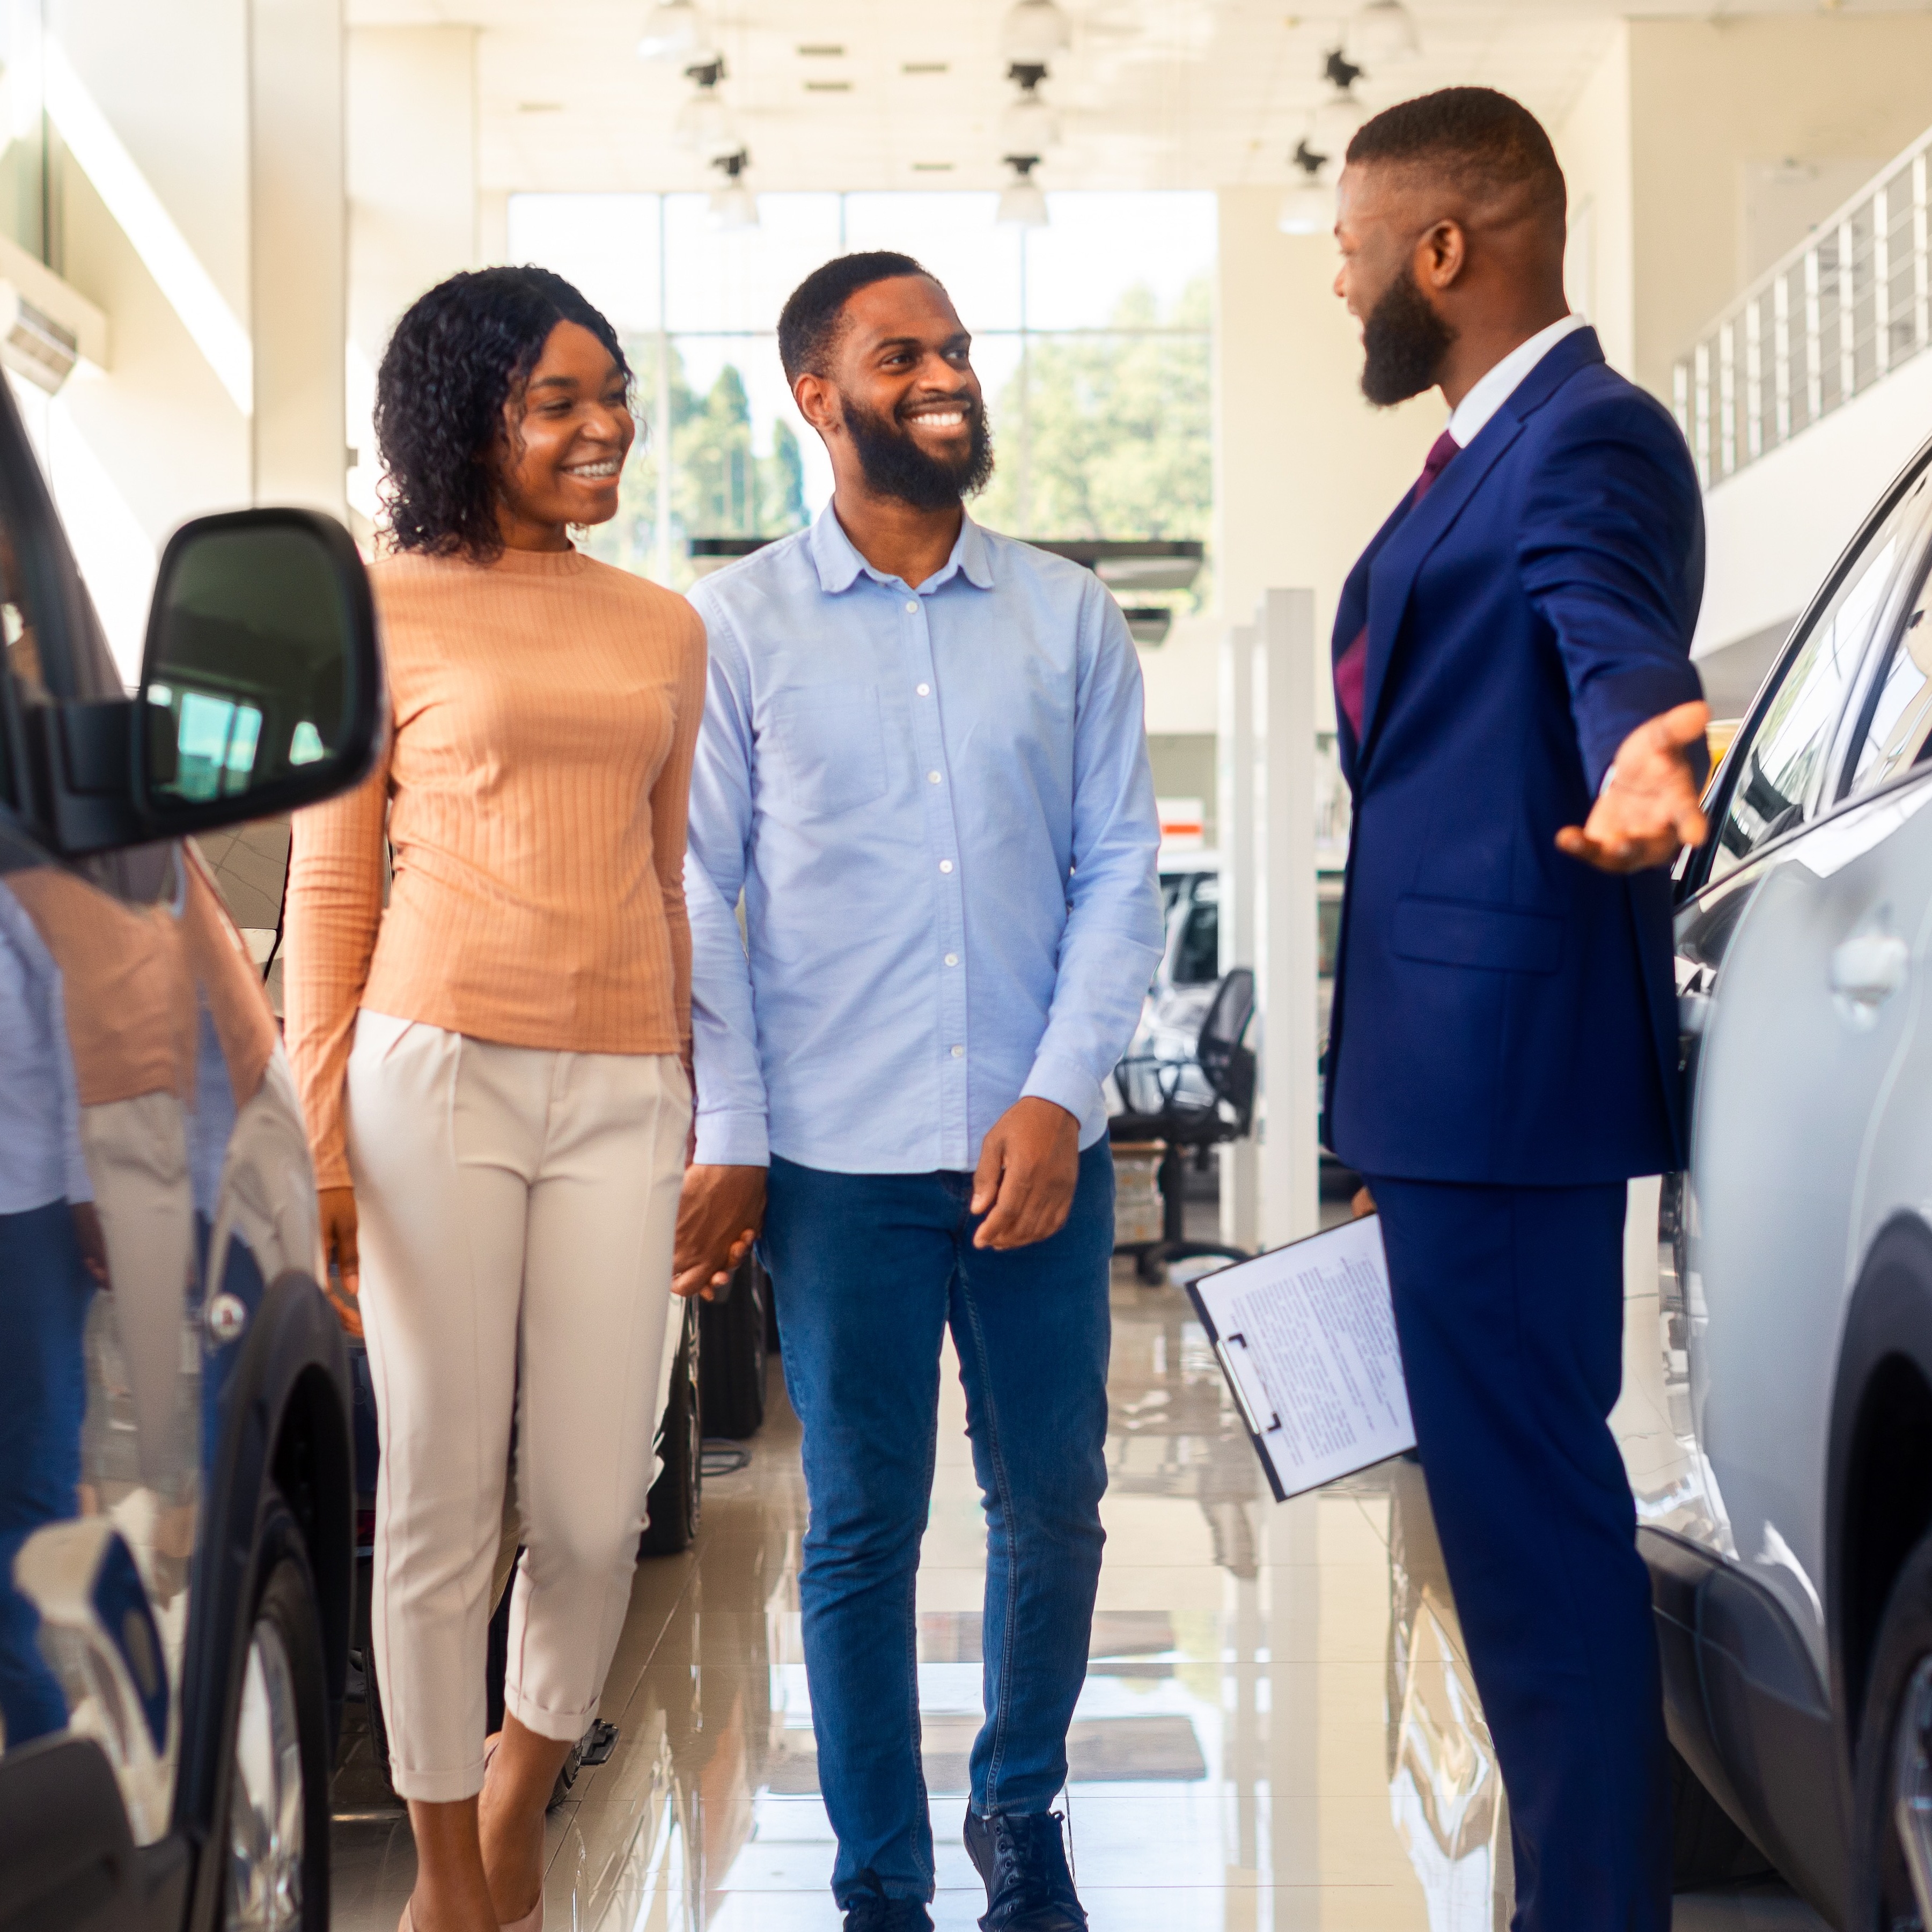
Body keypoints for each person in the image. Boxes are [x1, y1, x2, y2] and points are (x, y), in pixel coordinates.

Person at [673, 252, 1164, 1932]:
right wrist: (731, 1135)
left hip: (1039, 1146)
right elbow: (695, 898)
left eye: (956, 347)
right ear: (816, 395)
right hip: (834, 1160)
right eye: (904, 353)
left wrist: (1054, 1088)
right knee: (862, 1521)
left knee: (1056, 1500)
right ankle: (877, 1871)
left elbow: (1120, 872)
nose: (946, 372)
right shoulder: (735, 628)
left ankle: (1018, 1808)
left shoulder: (1066, 613)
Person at [1325, 90, 1709, 1929]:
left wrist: (1645, 739)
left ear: (1444, 251)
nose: (1338, 284)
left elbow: (1603, 613)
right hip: (1448, 1092)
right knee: (1508, 1541)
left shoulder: (1583, 437)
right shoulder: (1485, 445)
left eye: (1348, 244)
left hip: (1504, 1080)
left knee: (1540, 1552)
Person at [284, 267, 705, 1932]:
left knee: (598, 1506)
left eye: (613, 394)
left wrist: (696, 1099)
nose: (602, 426)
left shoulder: (667, 623)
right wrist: (322, 1141)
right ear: (468, 417)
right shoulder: (372, 606)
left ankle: (522, 1785)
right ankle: (451, 1874)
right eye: (557, 399)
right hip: (431, 1072)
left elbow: (671, 889)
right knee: (443, 1489)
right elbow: (330, 889)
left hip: (625, 1087)